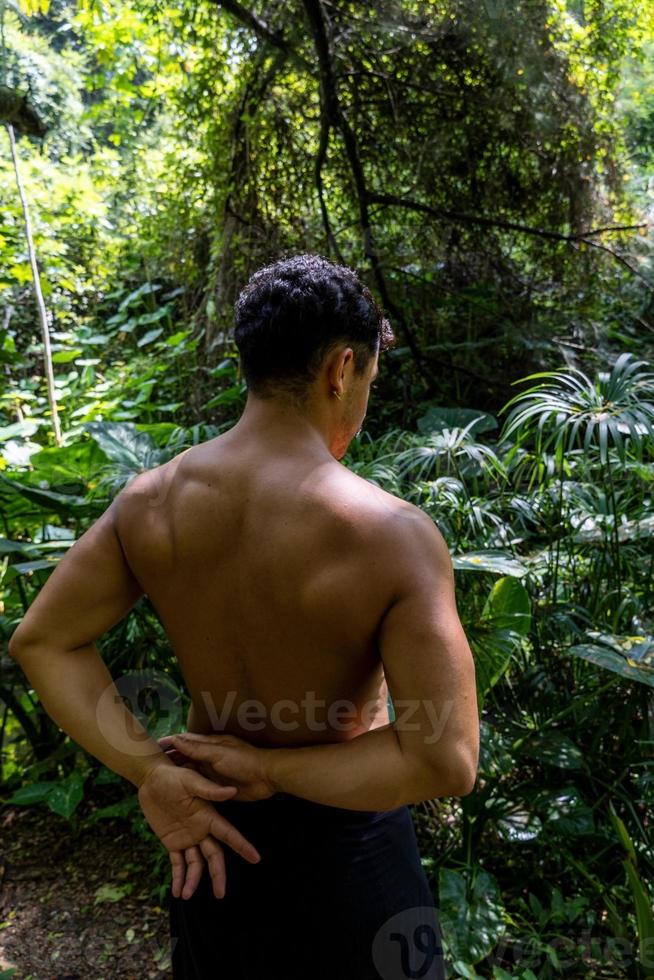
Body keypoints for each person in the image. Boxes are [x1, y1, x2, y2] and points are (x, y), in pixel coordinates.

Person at [8, 253, 479, 980]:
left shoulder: (150, 503)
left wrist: (149, 774)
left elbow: (44, 640)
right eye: (368, 385)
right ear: (341, 369)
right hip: (351, 860)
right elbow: (444, 759)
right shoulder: (391, 535)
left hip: (210, 846)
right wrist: (269, 767)